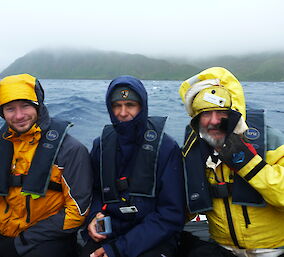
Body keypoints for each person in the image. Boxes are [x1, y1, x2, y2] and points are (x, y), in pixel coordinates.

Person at [178, 67, 284, 257]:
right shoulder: (194, 152)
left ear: (234, 113)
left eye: (221, 113)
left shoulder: (271, 140)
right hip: (221, 249)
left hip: (274, 249)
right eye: (205, 114)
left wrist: (248, 163)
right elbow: (181, 207)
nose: (213, 121)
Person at [0, 74, 93, 257]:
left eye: (25, 106)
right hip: (3, 230)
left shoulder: (70, 150)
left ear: (38, 105)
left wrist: (25, 240)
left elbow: (78, 212)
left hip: (47, 238)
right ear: (1, 112)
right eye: (10, 108)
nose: (19, 116)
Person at [80, 75, 185, 257]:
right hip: (110, 233)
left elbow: (171, 214)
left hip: (153, 237)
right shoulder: (101, 146)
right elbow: (95, 192)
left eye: (130, 105)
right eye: (116, 105)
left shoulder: (166, 148)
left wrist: (119, 250)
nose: (122, 112)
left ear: (142, 106)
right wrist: (94, 217)